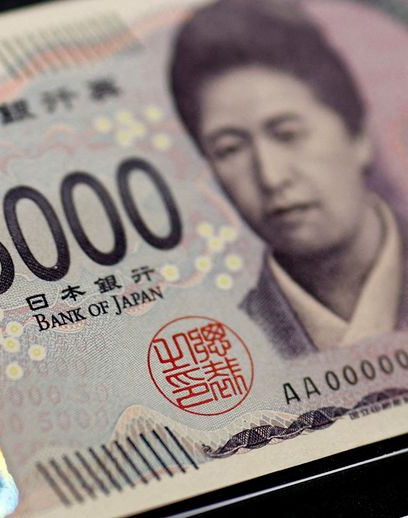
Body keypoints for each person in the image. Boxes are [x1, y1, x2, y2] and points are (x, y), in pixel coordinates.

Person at [169, 0, 406, 357]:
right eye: (230, 149)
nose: (271, 176)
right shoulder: (233, 344)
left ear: (358, 136)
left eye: (287, 134)